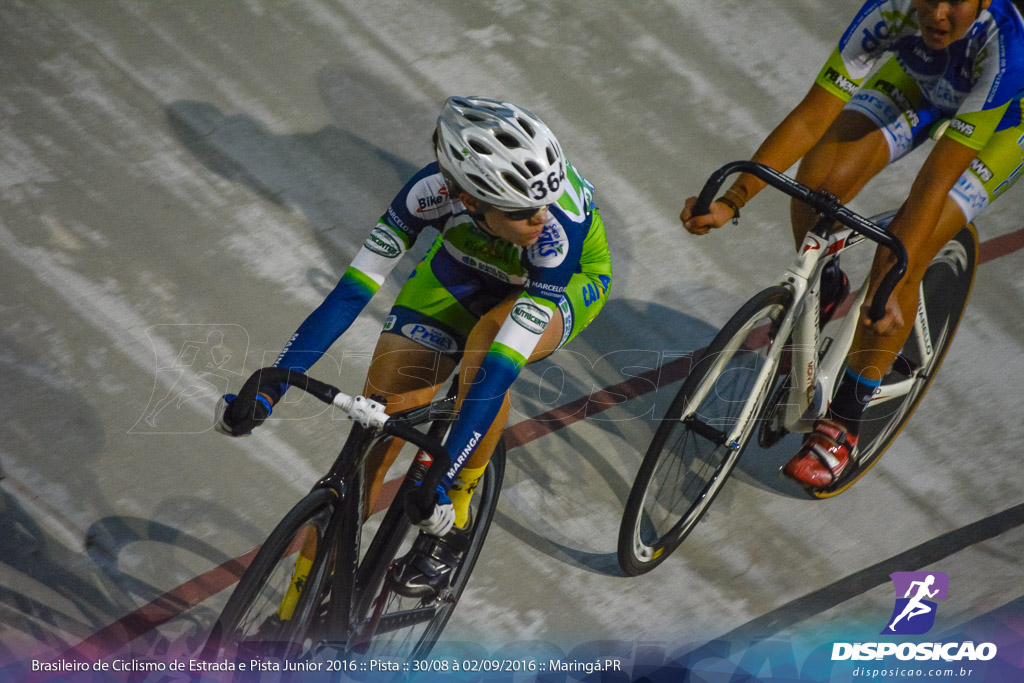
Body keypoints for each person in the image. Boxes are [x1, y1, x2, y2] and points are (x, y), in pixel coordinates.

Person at [218, 96, 612, 596]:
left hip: (568, 281)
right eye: (522, 210)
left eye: (543, 203)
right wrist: (267, 393)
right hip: (462, 270)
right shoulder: (427, 193)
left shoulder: (555, 235)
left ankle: (459, 518)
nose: (539, 216)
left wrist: (443, 482)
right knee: (380, 426)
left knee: (485, 345)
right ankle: (297, 604)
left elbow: (497, 371)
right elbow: (349, 296)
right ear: (469, 200)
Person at [681, 0, 1024, 487]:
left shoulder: (1007, 47)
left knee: (899, 252)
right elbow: (810, 118)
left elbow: (932, 185)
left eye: (956, 1)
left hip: (1004, 123)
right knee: (817, 183)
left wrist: (897, 272)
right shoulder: (891, 10)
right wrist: (733, 199)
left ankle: (845, 418)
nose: (939, 13)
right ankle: (829, 287)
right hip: (921, 84)